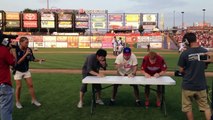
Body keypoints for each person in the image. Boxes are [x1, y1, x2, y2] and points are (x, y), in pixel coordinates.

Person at [177, 32, 211, 120]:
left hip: (188, 84)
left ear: (187, 41)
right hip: (201, 84)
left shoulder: (185, 53)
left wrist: (187, 72)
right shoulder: (204, 51)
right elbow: (206, 65)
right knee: (206, 107)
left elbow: (181, 69)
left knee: (188, 108)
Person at [14, 37, 44, 109]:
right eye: (26, 42)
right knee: (19, 86)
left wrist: (39, 60)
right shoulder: (16, 50)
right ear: (20, 42)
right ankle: (17, 102)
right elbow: (17, 62)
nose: (27, 44)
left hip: (26, 70)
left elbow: (32, 59)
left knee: (31, 85)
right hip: (18, 71)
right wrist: (25, 54)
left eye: (28, 42)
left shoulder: (29, 49)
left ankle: (34, 100)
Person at [0, 35, 16, 120]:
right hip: (3, 83)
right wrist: (11, 50)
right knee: (5, 109)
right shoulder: (3, 50)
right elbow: (13, 62)